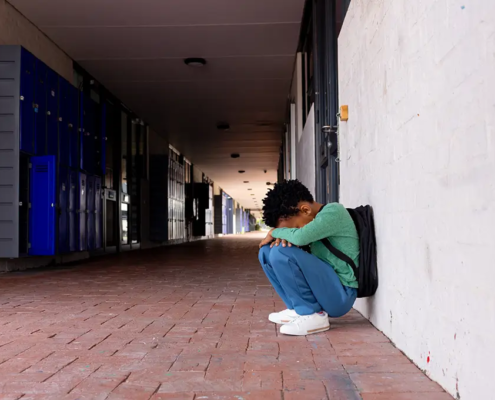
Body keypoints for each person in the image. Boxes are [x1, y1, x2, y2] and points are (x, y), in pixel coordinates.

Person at [258, 179, 359, 336]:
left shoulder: (333, 211)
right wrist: (282, 233)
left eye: (295, 227)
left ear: (305, 210)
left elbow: (300, 238)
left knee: (281, 252)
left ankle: (312, 314)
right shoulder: (311, 218)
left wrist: (274, 232)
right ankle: (296, 308)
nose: (293, 232)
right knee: (266, 252)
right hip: (325, 287)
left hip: (341, 294)